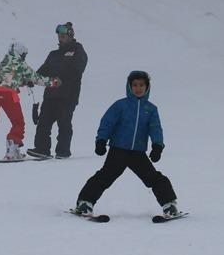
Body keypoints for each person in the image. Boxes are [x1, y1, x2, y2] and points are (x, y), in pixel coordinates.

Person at [72, 70, 181, 220]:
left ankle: (169, 205)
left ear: (147, 87)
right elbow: (107, 123)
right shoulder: (120, 105)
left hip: (137, 152)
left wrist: (157, 146)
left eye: (141, 85)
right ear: (129, 87)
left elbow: (155, 128)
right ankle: (85, 203)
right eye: (135, 85)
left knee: (153, 177)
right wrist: (101, 140)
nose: (138, 88)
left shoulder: (150, 109)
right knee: (105, 176)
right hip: (118, 150)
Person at [0, 41, 58, 161]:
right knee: (18, 123)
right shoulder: (21, 63)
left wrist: (23, 82)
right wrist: (54, 82)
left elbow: (7, 77)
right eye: (24, 55)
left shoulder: (4, 62)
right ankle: (13, 148)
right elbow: (37, 78)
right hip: (7, 94)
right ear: (21, 53)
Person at [27, 22, 88, 160]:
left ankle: (63, 151)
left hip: (68, 94)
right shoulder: (53, 54)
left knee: (64, 122)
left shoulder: (77, 50)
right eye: (59, 35)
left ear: (70, 35)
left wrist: (62, 79)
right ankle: (42, 149)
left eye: (63, 35)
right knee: (43, 122)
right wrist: (33, 79)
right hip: (50, 94)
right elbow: (44, 70)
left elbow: (77, 70)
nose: (60, 37)